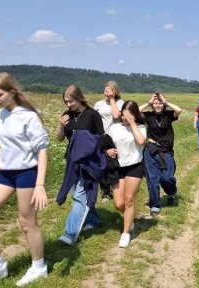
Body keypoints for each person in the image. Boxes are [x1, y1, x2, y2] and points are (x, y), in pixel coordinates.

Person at [0, 72, 49, 288]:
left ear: (12, 92)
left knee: (26, 223)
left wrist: (40, 185)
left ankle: (39, 268)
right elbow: (2, 147)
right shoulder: (0, 115)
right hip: (5, 174)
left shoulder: (29, 117)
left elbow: (42, 151)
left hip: (27, 173)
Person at [56, 85, 105, 246]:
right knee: (74, 191)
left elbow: (101, 137)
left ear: (79, 98)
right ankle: (94, 219)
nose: (69, 104)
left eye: (71, 101)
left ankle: (70, 234)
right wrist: (61, 126)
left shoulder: (92, 114)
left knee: (80, 195)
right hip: (71, 160)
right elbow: (60, 139)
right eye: (66, 102)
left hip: (87, 161)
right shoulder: (66, 115)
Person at [105, 100, 147, 248]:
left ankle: (126, 233)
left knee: (129, 200)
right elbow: (105, 143)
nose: (125, 117)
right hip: (118, 167)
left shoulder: (140, 127)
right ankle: (130, 218)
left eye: (129, 115)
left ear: (135, 115)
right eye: (123, 114)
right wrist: (107, 151)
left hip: (135, 167)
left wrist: (133, 123)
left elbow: (141, 141)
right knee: (119, 204)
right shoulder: (114, 128)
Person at [139, 92, 183, 217]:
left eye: (160, 103)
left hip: (166, 151)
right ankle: (155, 206)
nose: (157, 105)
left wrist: (166, 102)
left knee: (167, 178)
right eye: (155, 103)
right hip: (151, 150)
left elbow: (179, 110)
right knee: (152, 178)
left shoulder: (168, 115)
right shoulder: (148, 116)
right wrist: (148, 102)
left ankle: (172, 192)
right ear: (152, 105)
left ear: (163, 104)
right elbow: (134, 112)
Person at [94, 81, 125, 203]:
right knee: (103, 162)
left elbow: (116, 115)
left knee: (116, 162)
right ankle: (105, 192)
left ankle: (117, 188)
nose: (106, 93)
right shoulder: (98, 104)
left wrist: (112, 99)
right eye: (105, 90)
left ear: (115, 92)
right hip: (103, 135)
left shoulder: (120, 103)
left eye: (109, 90)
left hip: (117, 136)